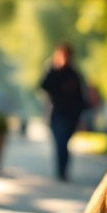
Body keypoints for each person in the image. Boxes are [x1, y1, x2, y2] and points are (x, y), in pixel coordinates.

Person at [39, 44, 89, 181]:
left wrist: (81, 118)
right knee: (59, 142)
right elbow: (43, 86)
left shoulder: (74, 75)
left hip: (71, 116)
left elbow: (80, 99)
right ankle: (61, 170)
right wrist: (53, 68)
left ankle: (63, 169)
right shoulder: (53, 71)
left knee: (64, 142)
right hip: (56, 114)